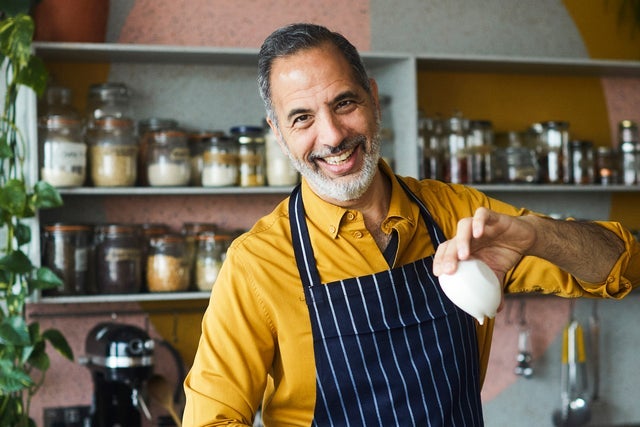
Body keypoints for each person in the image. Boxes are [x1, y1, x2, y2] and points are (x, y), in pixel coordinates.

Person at [183, 23, 640, 426]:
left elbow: (623, 268)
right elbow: (211, 420)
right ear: (278, 133)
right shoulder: (256, 263)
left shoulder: (457, 213)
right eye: (302, 118)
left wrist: (538, 233)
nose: (333, 135)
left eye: (344, 103)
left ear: (374, 99)